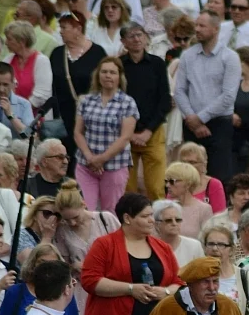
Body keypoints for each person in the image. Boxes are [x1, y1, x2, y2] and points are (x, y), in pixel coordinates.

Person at [176, 11, 240, 183]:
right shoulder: (188, 56)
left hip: (219, 124)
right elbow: (180, 91)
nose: (197, 29)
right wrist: (192, 119)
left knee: (218, 177)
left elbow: (228, 96)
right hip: (190, 124)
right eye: (196, 25)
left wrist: (200, 118)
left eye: (202, 26)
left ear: (216, 29)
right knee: (189, 177)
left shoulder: (230, 58)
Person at [73, 56, 138, 213]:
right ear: (98, 75)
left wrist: (101, 159)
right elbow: (78, 132)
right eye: (104, 72)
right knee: (84, 209)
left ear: (119, 76)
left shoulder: (127, 102)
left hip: (114, 166)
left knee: (110, 212)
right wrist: (90, 157)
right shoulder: (86, 100)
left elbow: (125, 137)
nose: (108, 76)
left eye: (112, 72)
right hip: (86, 164)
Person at [119, 23, 171, 202]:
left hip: (153, 131)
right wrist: (129, 133)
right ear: (123, 42)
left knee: (157, 189)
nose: (136, 39)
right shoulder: (118, 65)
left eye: (139, 34)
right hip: (125, 134)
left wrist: (148, 131)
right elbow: (115, 101)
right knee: (127, 189)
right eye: (131, 36)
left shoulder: (157, 64)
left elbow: (164, 100)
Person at [48, 11, 107, 167]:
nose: (60, 31)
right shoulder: (56, 53)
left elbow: (106, 85)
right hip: (63, 117)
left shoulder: (97, 53)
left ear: (78, 29)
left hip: (89, 118)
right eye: (60, 27)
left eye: (64, 27)